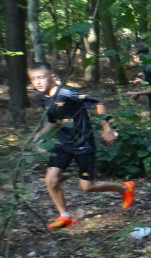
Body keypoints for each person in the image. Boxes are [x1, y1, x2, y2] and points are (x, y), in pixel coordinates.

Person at [28, 63, 134, 229]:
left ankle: (123, 188)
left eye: (41, 77)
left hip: (82, 143)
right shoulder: (42, 98)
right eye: (33, 79)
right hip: (62, 144)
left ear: (53, 77)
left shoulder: (67, 93)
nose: (37, 82)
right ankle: (65, 216)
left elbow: (98, 103)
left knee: (87, 187)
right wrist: (41, 134)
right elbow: (53, 120)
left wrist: (107, 128)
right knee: (50, 180)